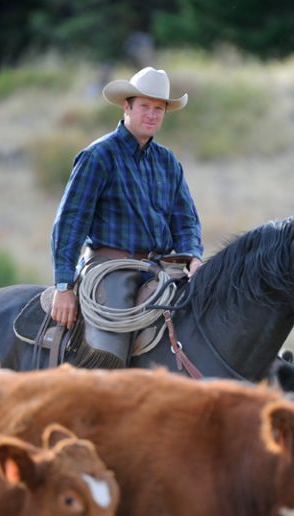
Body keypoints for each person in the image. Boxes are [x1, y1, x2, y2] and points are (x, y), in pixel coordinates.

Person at [49, 66, 203, 365]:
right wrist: (63, 287)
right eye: (145, 106)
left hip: (160, 268)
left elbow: (186, 220)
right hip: (110, 266)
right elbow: (70, 223)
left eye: (159, 108)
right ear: (127, 106)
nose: (152, 114)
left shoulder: (168, 162)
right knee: (107, 354)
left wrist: (193, 256)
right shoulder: (98, 156)